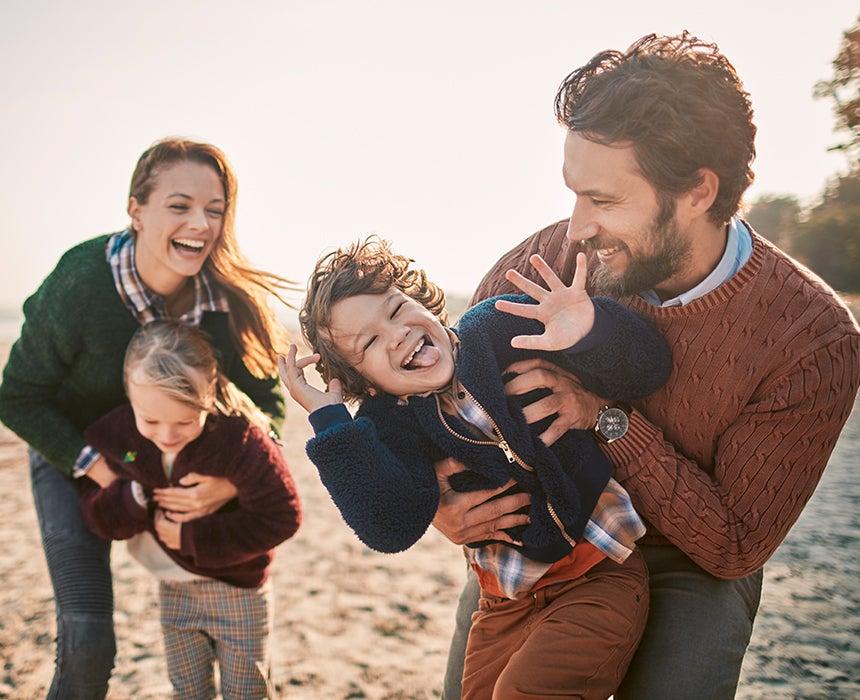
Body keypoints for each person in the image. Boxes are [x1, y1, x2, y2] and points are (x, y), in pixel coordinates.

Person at [434, 31, 860, 699]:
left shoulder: (813, 339)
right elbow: (443, 404)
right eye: (575, 194)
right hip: (551, 528)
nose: (576, 228)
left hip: (689, 558)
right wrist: (442, 501)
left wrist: (608, 421)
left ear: (697, 191)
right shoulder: (543, 263)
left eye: (603, 201)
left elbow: (734, 545)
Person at [280, 236, 673, 698]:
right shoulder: (390, 423)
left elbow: (650, 367)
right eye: (369, 342)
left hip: (597, 571)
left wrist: (589, 329)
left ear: (420, 299)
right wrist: (329, 422)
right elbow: (388, 524)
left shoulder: (497, 329)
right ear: (360, 381)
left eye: (395, 309)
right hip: (502, 598)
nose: (397, 333)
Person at [0, 137, 296, 698]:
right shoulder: (81, 282)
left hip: (171, 466)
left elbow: (267, 405)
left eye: (214, 210)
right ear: (136, 209)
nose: (200, 224)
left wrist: (228, 481)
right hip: (77, 456)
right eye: (179, 205)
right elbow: (18, 396)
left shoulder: (227, 302)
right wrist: (103, 472)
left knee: (232, 645)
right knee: (88, 639)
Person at [78, 319, 302, 698]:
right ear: (129, 395)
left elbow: (283, 514)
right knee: (188, 692)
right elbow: (97, 510)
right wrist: (130, 498)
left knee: (247, 691)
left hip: (241, 592)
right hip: (173, 589)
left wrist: (191, 536)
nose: (166, 436)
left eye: (185, 420)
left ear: (209, 392)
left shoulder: (239, 438)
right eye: (150, 420)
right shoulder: (123, 438)